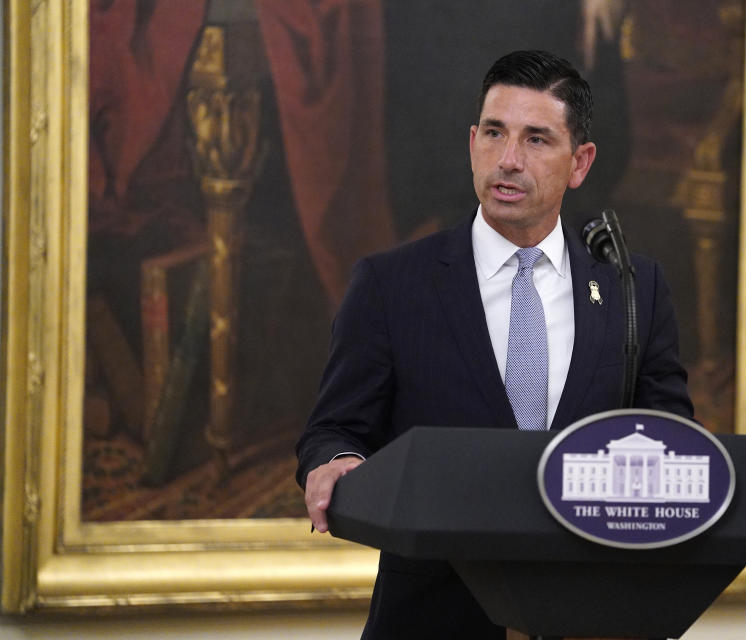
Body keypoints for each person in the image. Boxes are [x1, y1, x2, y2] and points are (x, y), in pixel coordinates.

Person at [296, 50, 693, 640]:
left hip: (591, 615)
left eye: (536, 139)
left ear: (580, 163)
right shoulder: (390, 284)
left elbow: (672, 440)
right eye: (494, 133)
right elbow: (333, 429)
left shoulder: (633, 286)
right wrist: (336, 462)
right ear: (472, 142)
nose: (508, 160)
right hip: (434, 617)